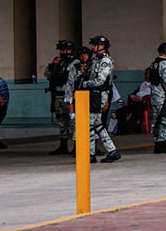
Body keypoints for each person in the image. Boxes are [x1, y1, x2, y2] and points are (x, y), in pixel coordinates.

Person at [79, 35, 120, 163]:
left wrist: (84, 85)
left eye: (94, 45)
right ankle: (107, 152)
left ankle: (106, 152)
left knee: (92, 124)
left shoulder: (105, 61)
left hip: (99, 94)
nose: (92, 48)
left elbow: (100, 80)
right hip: (93, 94)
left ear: (101, 46)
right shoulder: (96, 59)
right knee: (96, 124)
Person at [45, 40, 75, 155]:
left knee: (72, 123)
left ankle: (76, 146)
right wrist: (54, 65)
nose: (63, 52)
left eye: (65, 50)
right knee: (61, 122)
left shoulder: (74, 63)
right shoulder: (60, 62)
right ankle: (63, 146)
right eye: (61, 50)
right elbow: (47, 74)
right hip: (58, 96)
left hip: (69, 97)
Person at [63, 46, 90, 155]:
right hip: (78, 98)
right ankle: (76, 148)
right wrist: (69, 102)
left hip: (91, 98)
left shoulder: (93, 65)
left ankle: (92, 148)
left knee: (93, 124)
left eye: (86, 54)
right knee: (76, 125)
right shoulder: (74, 67)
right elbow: (69, 85)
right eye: (81, 55)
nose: (84, 57)